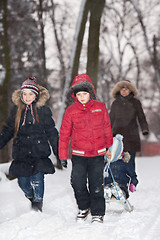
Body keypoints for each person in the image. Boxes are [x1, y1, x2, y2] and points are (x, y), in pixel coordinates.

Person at [59, 74, 113, 223]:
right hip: (79, 154)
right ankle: (84, 207)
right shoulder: (70, 111)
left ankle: (97, 212)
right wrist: (62, 156)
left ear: (91, 93)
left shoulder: (100, 108)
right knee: (77, 182)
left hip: (97, 154)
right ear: (75, 95)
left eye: (85, 93)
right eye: (79, 94)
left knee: (96, 184)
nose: (82, 97)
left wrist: (109, 147)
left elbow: (107, 128)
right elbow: (64, 134)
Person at [0, 77, 60, 212]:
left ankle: (38, 205)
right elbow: (7, 131)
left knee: (37, 179)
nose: (27, 97)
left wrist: (59, 153)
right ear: (21, 95)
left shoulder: (43, 111)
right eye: (25, 94)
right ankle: (31, 197)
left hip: (39, 152)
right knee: (23, 183)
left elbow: (52, 133)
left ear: (36, 95)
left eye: (31, 94)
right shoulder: (16, 111)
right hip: (21, 154)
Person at [109, 80, 149, 171]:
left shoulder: (136, 102)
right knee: (117, 160)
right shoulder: (115, 103)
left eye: (126, 89)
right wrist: (106, 132)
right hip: (117, 136)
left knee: (130, 161)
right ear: (119, 90)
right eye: (122, 89)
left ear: (130, 90)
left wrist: (144, 129)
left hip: (132, 135)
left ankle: (131, 182)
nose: (124, 91)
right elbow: (111, 119)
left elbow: (141, 117)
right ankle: (120, 182)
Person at [104, 134, 138, 201]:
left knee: (119, 188)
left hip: (122, 186)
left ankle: (118, 193)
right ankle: (107, 193)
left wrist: (133, 184)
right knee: (107, 187)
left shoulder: (124, 163)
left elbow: (133, 176)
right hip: (108, 185)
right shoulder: (106, 164)